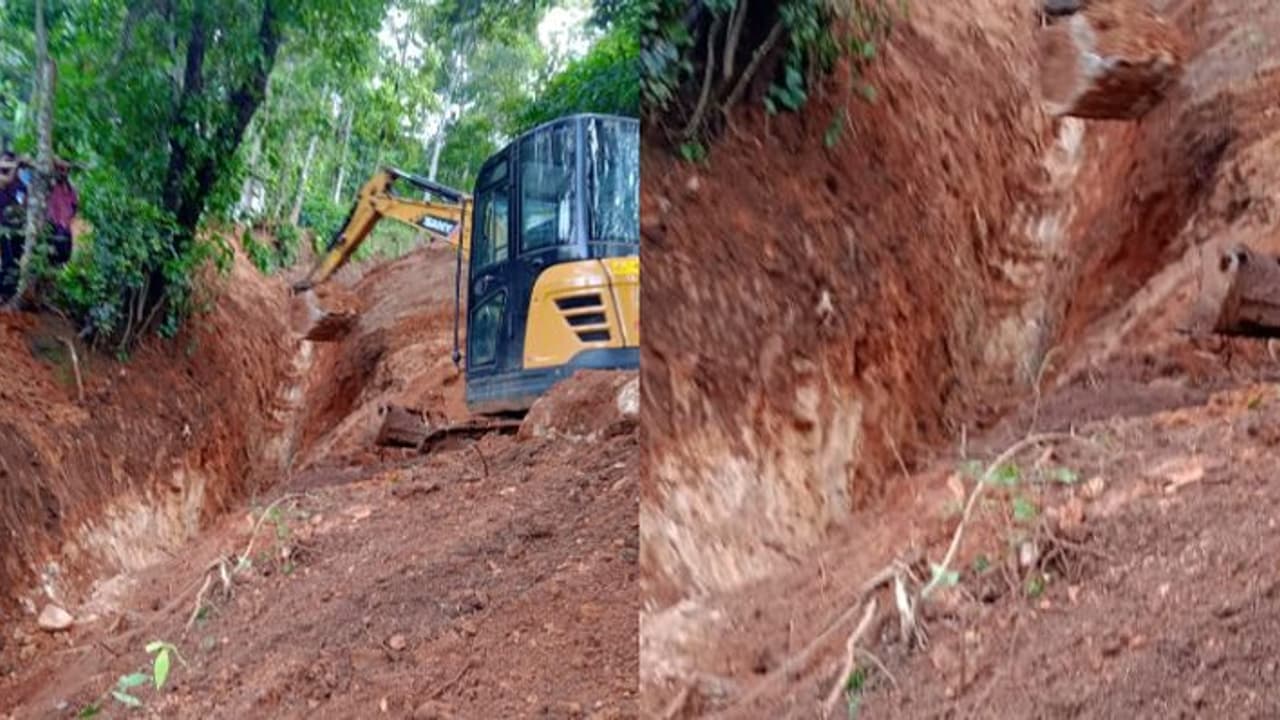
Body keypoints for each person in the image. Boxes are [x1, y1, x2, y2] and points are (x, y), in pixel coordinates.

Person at [45, 159, 77, 265]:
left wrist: (66, 220)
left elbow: (74, 207)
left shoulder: (70, 189)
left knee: (64, 258)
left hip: (65, 228)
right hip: (51, 227)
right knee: (51, 258)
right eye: (60, 169)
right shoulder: (48, 186)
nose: (62, 172)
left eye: (65, 170)